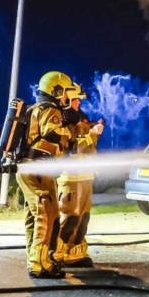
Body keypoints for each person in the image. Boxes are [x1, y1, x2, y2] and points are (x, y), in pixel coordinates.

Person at [18, 71, 75, 278]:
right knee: (45, 215)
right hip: (38, 168)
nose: (67, 97)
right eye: (65, 92)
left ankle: (37, 258)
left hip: (31, 168)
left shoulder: (35, 108)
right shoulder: (51, 110)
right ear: (56, 90)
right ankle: (39, 264)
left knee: (36, 216)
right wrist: (69, 135)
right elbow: (51, 131)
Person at [54, 83, 104, 268]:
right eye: (76, 101)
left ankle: (75, 253)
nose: (78, 104)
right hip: (70, 178)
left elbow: (88, 146)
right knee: (69, 216)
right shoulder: (60, 122)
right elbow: (72, 146)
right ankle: (57, 254)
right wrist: (91, 135)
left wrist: (94, 133)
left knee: (83, 217)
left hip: (85, 176)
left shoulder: (80, 121)